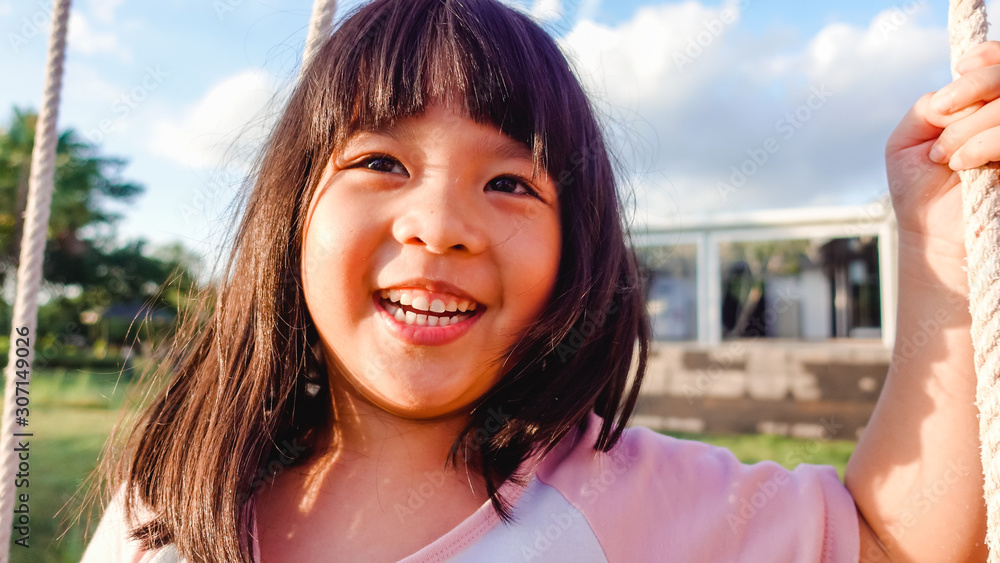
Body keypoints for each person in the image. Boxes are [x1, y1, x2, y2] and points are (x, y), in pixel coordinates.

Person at [80, 0, 994, 561]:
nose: (438, 225)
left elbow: (892, 544)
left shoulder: (627, 499)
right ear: (292, 217)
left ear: (576, 251)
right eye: (380, 164)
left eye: (510, 182)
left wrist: (944, 235)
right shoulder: (172, 498)